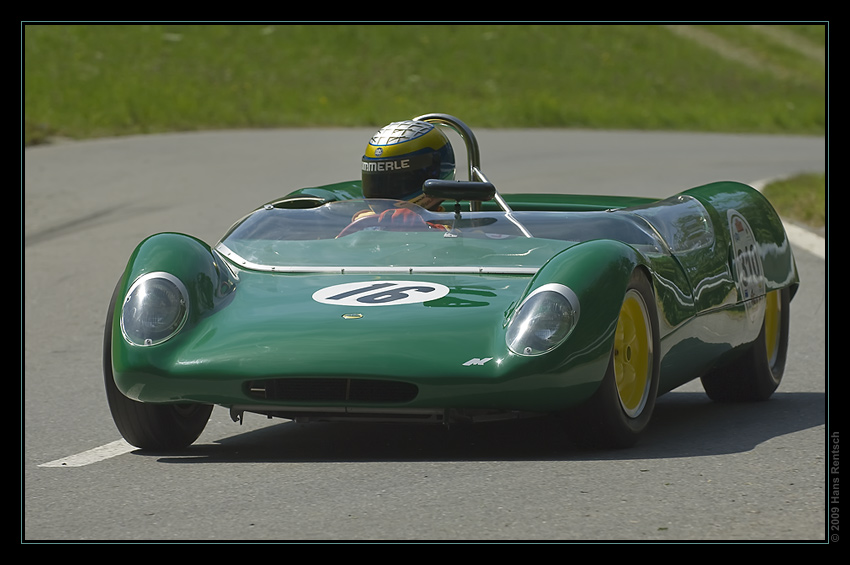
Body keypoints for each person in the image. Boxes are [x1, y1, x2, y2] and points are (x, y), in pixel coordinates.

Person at [339, 120, 456, 234]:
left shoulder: (451, 231)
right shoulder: (362, 221)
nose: (382, 192)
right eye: (378, 182)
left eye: (396, 183)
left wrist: (422, 228)